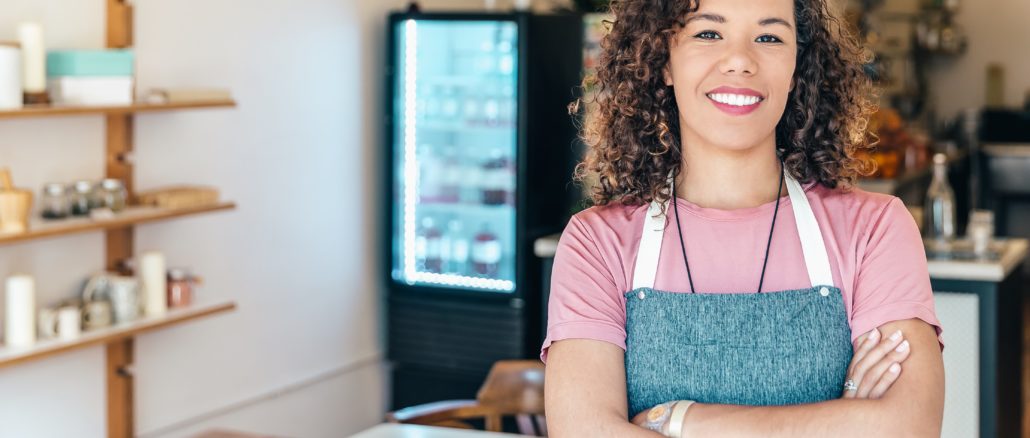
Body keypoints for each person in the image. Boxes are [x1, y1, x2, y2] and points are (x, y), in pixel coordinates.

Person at [540, 0, 946, 436]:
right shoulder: (596, 243)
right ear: (664, 61)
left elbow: (908, 426)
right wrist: (840, 421)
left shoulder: (875, 229)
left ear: (796, 67)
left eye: (769, 37)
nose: (739, 60)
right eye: (708, 33)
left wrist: (679, 419)